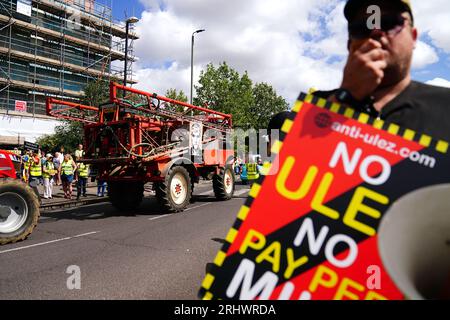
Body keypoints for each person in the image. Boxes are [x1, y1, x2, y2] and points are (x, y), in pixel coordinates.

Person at [272, 0, 450, 142]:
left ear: (413, 37)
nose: (376, 32)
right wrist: (345, 100)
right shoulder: (312, 109)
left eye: (389, 23)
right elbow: (281, 180)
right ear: (350, 45)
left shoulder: (445, 105)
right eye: (360, 27)